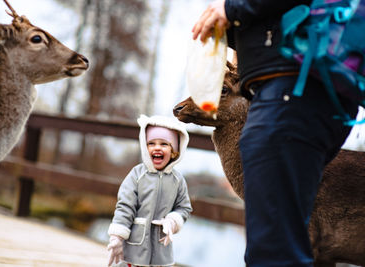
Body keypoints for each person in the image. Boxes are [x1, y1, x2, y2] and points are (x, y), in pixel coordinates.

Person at [192, 1, 358, 266]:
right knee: (284, 238)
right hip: (302, 89)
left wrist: (233, 8)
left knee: (273, 251)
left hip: (291, 90)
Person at [107, 114, 192, 267]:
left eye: (164, 144)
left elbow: (184, 207)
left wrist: (173, 221)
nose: (157, 147)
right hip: (134, 248)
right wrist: (117, 236)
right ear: (145, 148)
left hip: (161, 250)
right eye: (151, 143)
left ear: (174, 151)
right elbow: (125, 206)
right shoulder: (137, 175)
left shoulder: (177, 180)